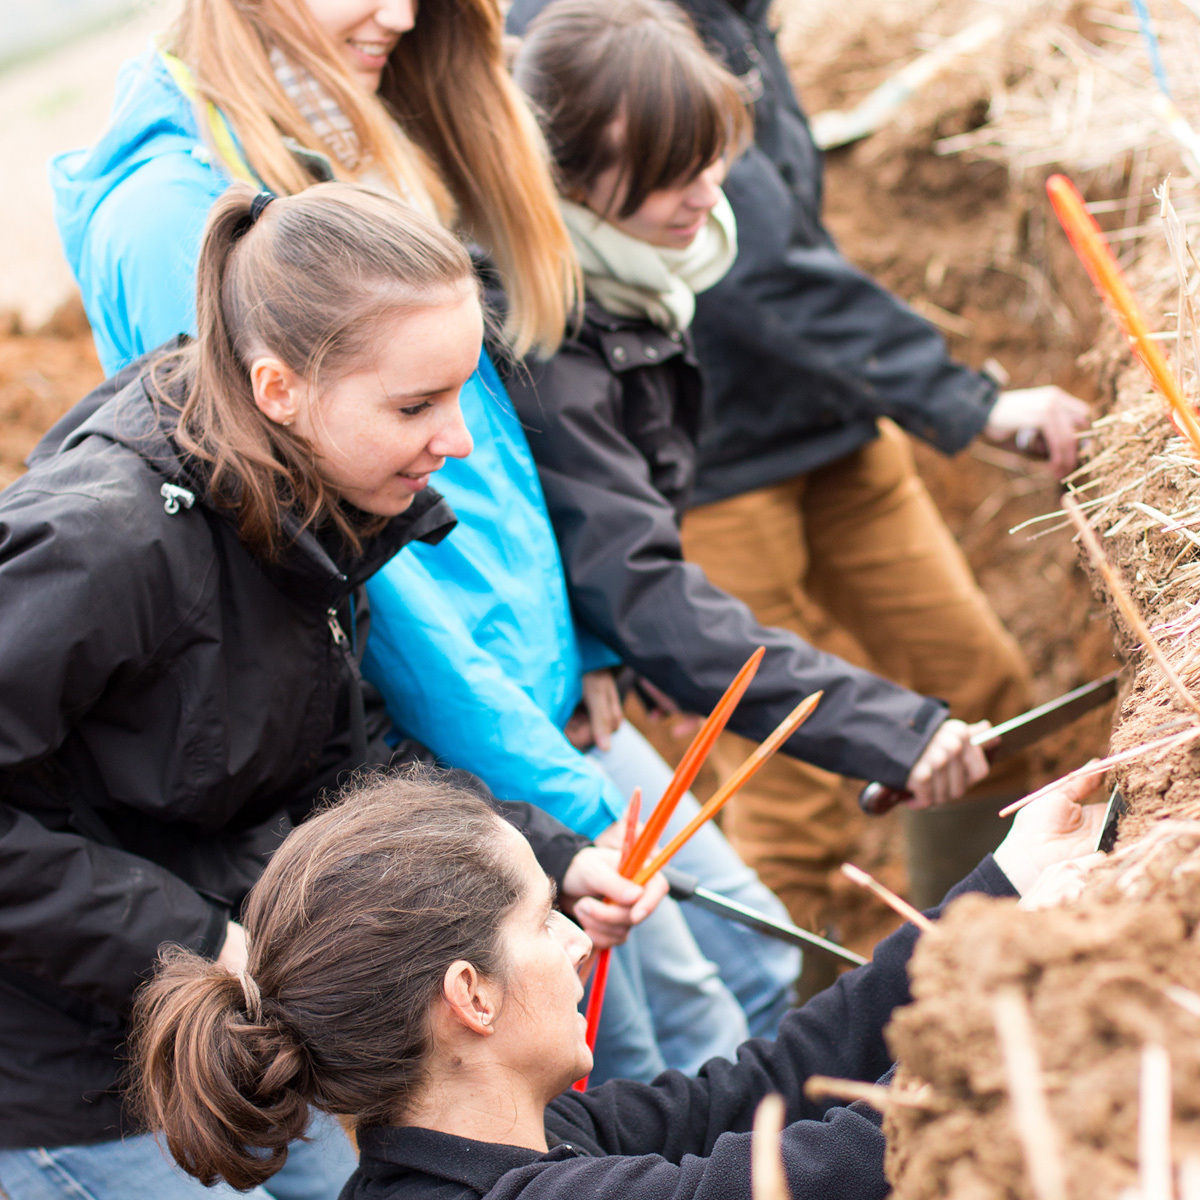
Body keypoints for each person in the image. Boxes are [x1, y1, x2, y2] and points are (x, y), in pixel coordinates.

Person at [50, 0, 802, 1083]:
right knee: (643, 1059)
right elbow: (369, 618)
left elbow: (478, 469)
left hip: (527, 714)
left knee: (703, 1020)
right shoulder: (179, 228)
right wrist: (557, 805)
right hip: (479, 749)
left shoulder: (357, 123)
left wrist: (580, 652)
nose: (403, 13)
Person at [0, 182, 665, 1200]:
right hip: (64, 1076)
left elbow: (338, 768)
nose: (460, 442)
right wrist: (196, 938)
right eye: (414, 407)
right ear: (280, 387)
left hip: (234, 1008)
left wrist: (554, 859)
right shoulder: (104, 543)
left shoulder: (299, 498)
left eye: (460, 393)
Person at [506, 0, 1092, 930]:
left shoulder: (715, 66)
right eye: (674, 177)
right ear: (570, 179)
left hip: (831, 429)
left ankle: (983, 944)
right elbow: (638, 579)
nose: (712, 195)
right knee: (791, 807)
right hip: (722, 486)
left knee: (981, 688)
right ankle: (848, 1025)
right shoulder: (552, 317)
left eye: (716, 164)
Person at [129, 765, 1106, 1200]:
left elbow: (780, 1083)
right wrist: (1044, 997)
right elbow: (832, 1166)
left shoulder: (527, 1141)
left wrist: (1007, 884)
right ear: (471, 996)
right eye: (541, 919)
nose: (578, 942)